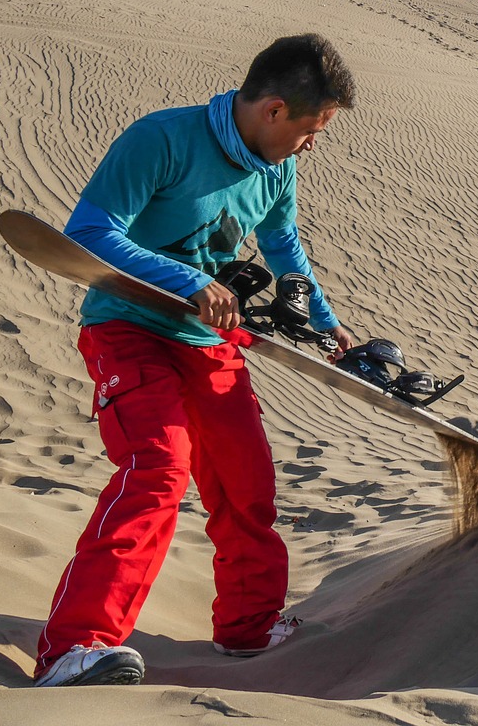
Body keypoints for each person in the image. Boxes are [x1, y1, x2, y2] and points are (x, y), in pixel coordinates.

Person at [32, 34, 358, 688]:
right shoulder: (161, 139)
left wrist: (329, 326)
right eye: (310, 128)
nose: (312, 145)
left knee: (247, 481)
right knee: (158, 466)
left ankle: (249, 625)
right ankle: (76, 648)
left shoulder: (277, 168)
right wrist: (188, 281)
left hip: (210, 343)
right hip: (130, 330)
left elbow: (283, 245)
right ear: (272, 110)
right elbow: (89, 234)